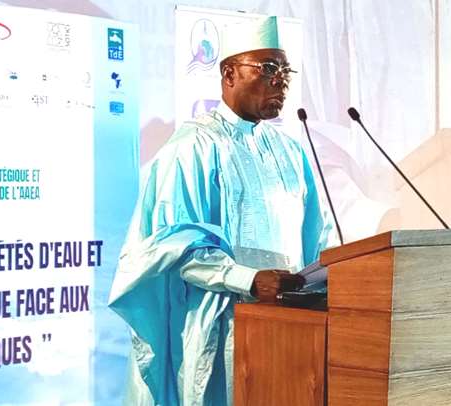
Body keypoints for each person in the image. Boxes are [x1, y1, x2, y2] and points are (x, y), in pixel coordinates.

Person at [109, 16, 335, 406]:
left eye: (285, 71)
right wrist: (249, 279)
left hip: (291, 327)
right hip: (221, 325)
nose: (280, 80)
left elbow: (317, 237)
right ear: (229, 73)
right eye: (268, 68)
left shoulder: (290, 152)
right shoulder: (193, 147)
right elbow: (174, 246)